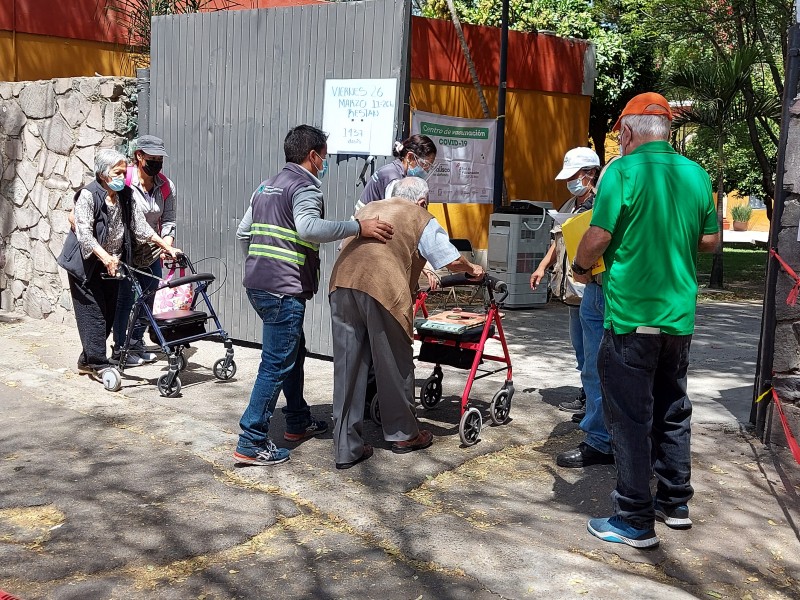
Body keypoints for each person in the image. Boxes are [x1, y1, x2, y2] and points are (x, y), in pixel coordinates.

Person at [571, 92, 719, 548]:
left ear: (628, 131)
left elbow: (597, 235)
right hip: (678, 316)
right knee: (673, 407)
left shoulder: (622, 171)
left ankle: (633, 518)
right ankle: (674, 502)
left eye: (620, 133)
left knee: (629, 416)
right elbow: (711, 242)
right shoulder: (697, 174)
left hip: (631, 315)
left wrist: (579, 268)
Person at [233, 125, 394, 467]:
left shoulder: (266, 186)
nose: (325, 163)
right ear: (312, 155)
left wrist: (260, 264)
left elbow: (243, 231)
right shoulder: (305, 187)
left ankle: (296, 420)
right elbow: (308, 229)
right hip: (283, 290)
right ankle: (251, 440)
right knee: (276, 364)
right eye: (324, 156)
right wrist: (357, 227)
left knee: (293, 350)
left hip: (258, 286)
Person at [329, 177, 484, 469]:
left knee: (348, 367)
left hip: (342, 285)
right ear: (422, 201)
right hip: (382, 289)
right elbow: (448, 258)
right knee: (395, 363)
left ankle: (345, 448)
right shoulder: (418, 215)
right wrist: (472, 267)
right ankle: (403, 434)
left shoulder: (370, 208)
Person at [57, 149, 181, 379]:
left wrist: (166, 246)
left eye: (124, 173)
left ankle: (87, 359)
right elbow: (84, 234)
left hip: (113, 265)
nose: (122, 178)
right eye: (118, 173)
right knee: (94, 314)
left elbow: (140, 226)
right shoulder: (88, 195)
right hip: (86, 266)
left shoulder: (124, 193)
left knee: (110, 314)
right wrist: (105, 257)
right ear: (103, 174)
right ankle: (98, 363)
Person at [530, 147, 600, 423]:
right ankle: (588, 395)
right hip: (571, 290)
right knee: (581, 348)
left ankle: (594, 405)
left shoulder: (600, 203)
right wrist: (541, 266)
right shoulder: (570, 205)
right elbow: (556, 242)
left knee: (594, 349)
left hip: (591, 287)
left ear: (591, 173)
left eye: (575, 175)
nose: (571, 181)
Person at [111, 135, 177, 366]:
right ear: (139, 156)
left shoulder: (166, 185)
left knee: (147, 297)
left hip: (152, 250)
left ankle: (136, 343)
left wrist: (167, 243)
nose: (157, 163)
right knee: (126, 299)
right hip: (126, 249)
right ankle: (121, 349)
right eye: (152, 158)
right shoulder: (125, 180)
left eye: (160, 159)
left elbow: (168, 220)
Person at [355, 134, 437, 211]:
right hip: (365, 221)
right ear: (410, 157)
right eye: (425, 164)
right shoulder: (393, 178)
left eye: (430, 166)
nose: (426, 170)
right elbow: (395, 213)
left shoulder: (395, 170)